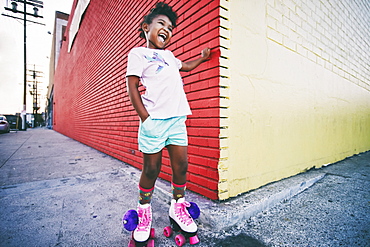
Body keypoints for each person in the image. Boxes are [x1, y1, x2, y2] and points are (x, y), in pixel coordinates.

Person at [125, 2, 211, 244]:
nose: (167, 29)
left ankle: (178, 205)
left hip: (177, 120)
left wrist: (202, 59)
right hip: (154, 121)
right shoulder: (138, 53)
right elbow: (132, 86)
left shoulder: (171, 56)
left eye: (171, 27)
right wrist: (146, 119)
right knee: (151, 169)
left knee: (181, 166)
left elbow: (187, 66)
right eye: (161, 24)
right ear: (146, 27)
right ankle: (143, 210)